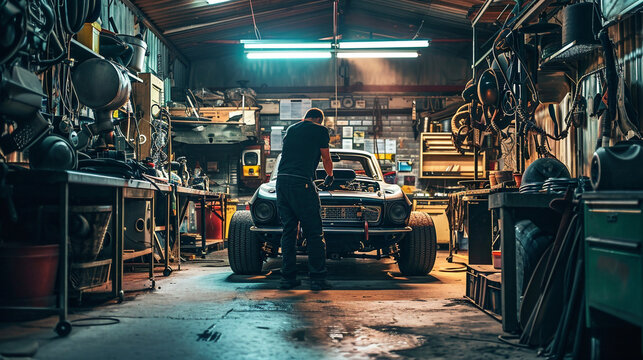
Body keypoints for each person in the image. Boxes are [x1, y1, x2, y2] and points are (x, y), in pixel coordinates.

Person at [276, 108, 334, 291]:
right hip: (302, 183)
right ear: (319, 119)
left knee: (289, 231)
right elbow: (326, 157)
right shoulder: (319, 129)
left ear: (305, 117)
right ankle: (317, 278)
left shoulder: (292, 129)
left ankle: (288, 278)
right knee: (314, 232)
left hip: (282, 182)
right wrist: (330, 176)